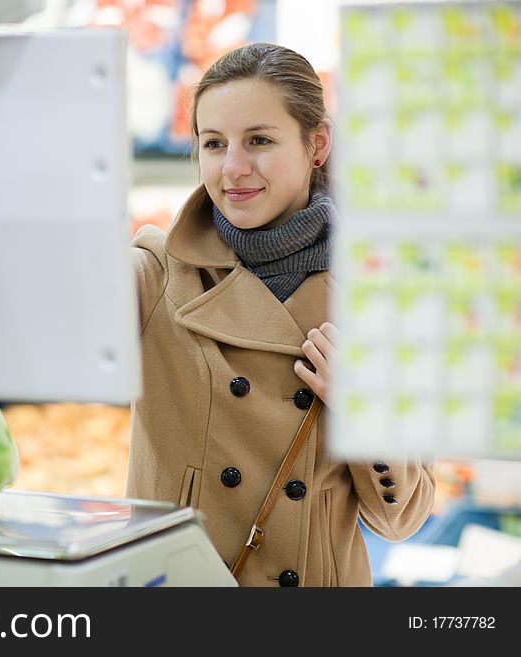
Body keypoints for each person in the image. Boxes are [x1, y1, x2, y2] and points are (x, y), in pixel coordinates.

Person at [128, 42, 435, 587]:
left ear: (316, 143)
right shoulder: (155, 273)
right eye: (214, 144)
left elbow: (401, 518)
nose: (233, 169)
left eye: (260, 141)